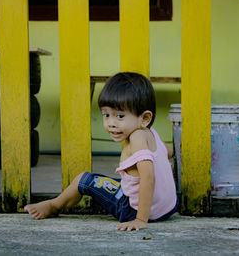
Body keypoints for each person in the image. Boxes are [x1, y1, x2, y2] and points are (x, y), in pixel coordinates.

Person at [25, 72, 178, 231]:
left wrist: (140, 219)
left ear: (145, 118)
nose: (111, 123)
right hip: (167, 207)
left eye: (120, 116)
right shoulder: (151, 133)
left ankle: (54, 205)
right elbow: (166, 152)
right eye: (106, 115)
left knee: (84, 179)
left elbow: (148, 177)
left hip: (134, 210)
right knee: (120, 181)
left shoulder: (137, 138)